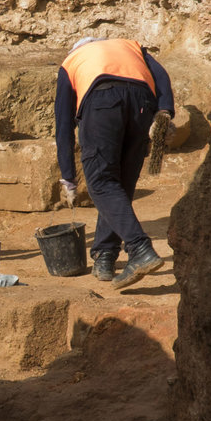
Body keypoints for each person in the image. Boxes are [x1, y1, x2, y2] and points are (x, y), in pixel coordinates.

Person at [54, 34, 175, 286]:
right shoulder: (129, 46)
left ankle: (140, 248)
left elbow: (64, 126)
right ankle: (105, 255)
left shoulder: (71, 62)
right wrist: (164, 110)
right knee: (119, 185)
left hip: (102, 103)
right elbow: (161, 75)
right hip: (143, 103)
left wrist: (68, 177)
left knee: (100, 182)